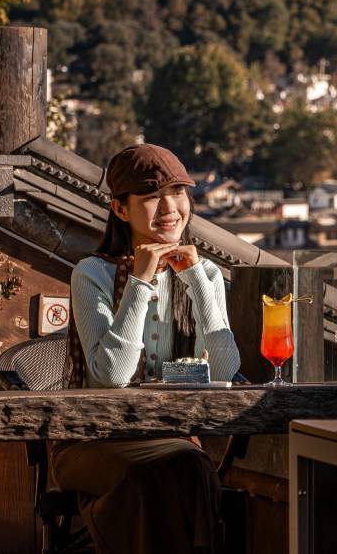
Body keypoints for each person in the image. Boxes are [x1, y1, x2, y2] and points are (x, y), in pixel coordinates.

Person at [51, 143, 240, 554]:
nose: (170, 207)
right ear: (120, 209)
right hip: (91, 439)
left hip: (170, 439)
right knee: (174, 470)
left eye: (178, 192)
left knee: (181, 466)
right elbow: (113, 375)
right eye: (152, 196)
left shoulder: (203, 272)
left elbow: (225, 371)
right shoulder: (92, 274)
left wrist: (197, 283)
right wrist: (139, 282)